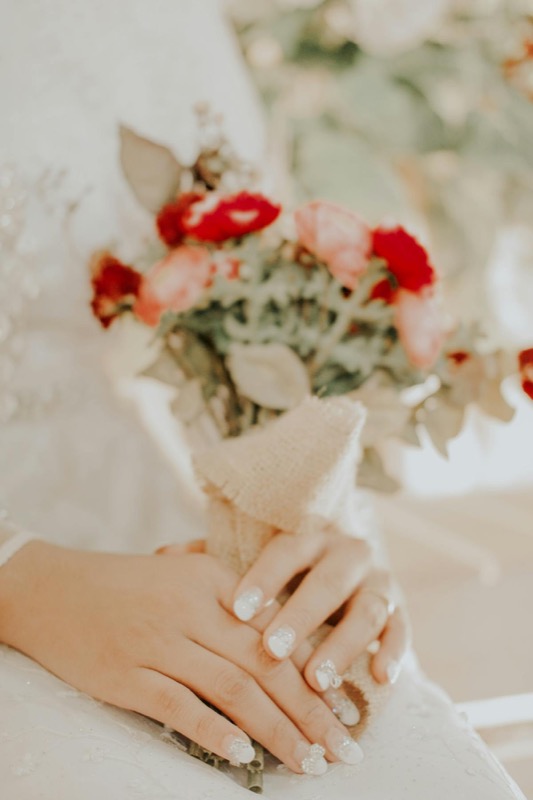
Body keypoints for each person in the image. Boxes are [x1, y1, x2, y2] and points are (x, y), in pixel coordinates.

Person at [0, 1, 526, 798]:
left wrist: (315, 537)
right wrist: (24, 584)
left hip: (177, 551)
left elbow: (250, 309)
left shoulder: (173, 22)